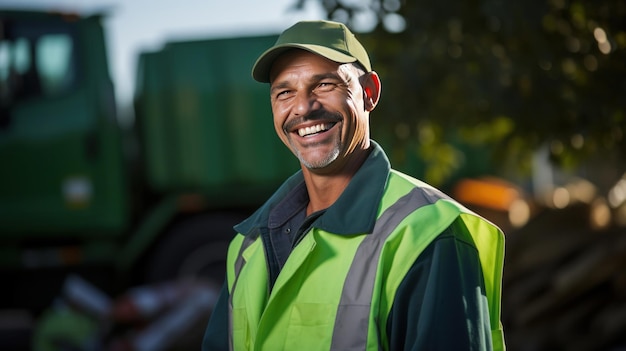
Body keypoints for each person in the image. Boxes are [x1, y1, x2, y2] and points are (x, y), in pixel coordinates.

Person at [202, 20, 506, 351]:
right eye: (285, 92)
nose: (303, 107)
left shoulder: (427, 233)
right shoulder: (247, 246)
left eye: (325, 85)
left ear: (369, 93)